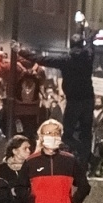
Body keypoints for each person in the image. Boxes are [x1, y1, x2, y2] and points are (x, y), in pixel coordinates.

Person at [31, 34, 95, 162]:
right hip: (88, 99)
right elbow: (90, 47)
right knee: (86, 133)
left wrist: (22, 52)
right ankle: (87, 157)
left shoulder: (65, 60)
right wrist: (90, 38)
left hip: (73, 100)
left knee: (66, 135)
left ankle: (86, 155)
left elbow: (43, 59)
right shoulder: (88, 57)